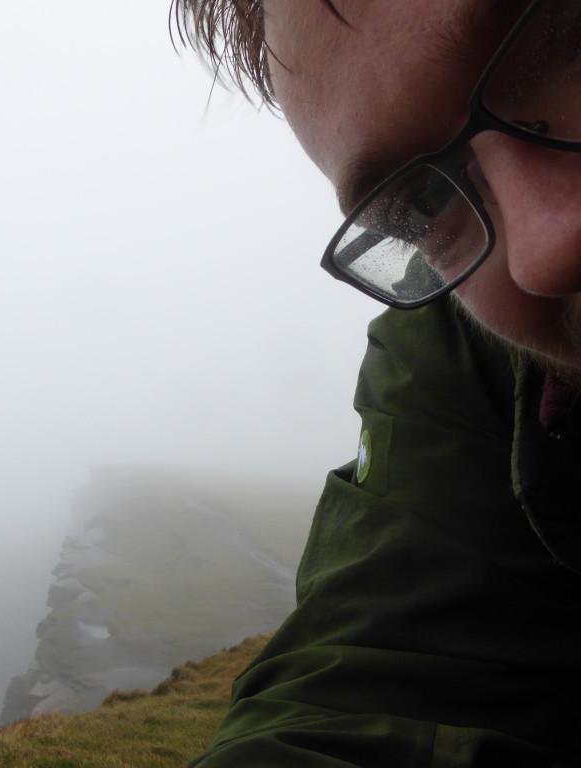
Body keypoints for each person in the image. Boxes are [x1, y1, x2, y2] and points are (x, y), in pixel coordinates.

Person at [173, 1, 581, 765]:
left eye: (568, 39)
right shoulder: (470, 352)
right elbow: (380, 684)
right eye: (422, 209)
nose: (543, 253)